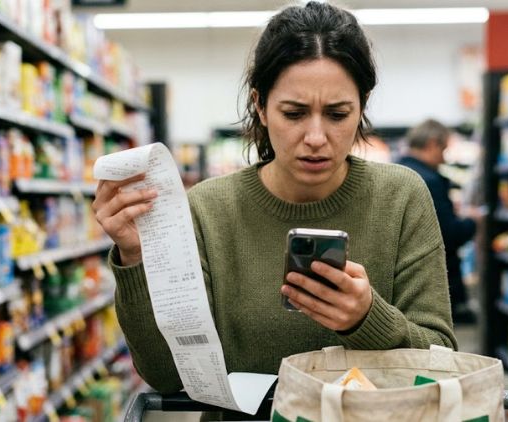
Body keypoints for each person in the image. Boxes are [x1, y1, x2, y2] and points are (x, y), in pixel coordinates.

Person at [93, 2, 456, 417]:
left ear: (362, 107)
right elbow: (166, 375)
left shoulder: (401, 196)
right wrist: (137, 258)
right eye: (294, 113)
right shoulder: (208, 210)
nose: (316, 137)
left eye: (338, 114)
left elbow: (443, 357)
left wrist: (366, 319)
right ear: (261, 106)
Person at [397, 119, 481, 324]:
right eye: (443, 150)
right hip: (433, 282)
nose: (443, 159)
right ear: (433, 144)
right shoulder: (430, 180)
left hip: (404, 281)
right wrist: (472, 221)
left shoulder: (397, 171)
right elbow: (448, 235)